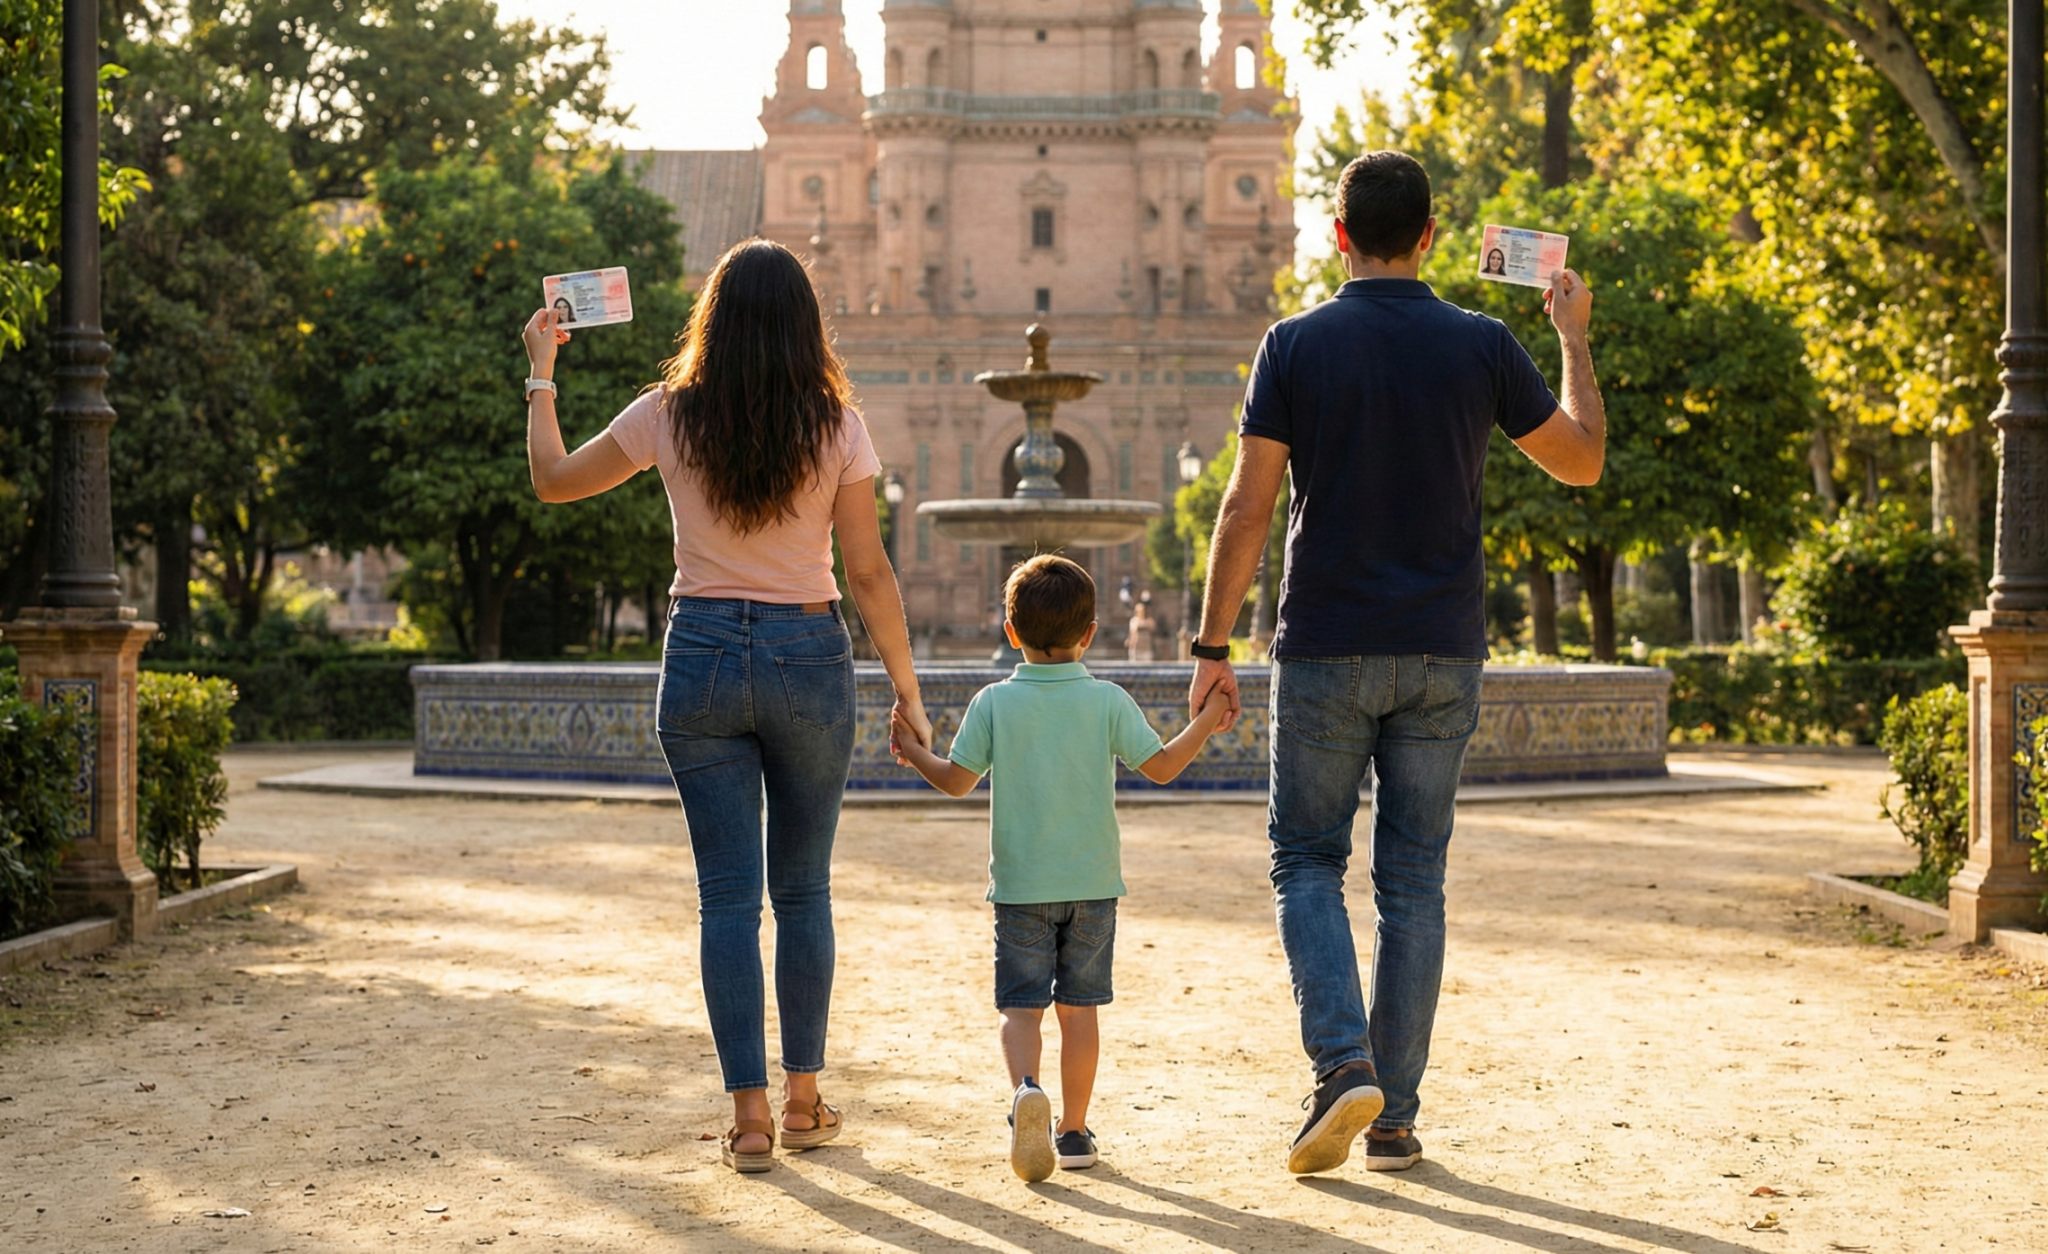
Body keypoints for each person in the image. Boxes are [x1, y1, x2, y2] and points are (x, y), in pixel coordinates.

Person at [1187, 150, 1606, 1176]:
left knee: (1305, 862)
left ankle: (1342, 1067)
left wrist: (1210, 644)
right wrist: (1573, 341)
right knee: (1412, 883)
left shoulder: (1291, 345)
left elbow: (1245, 508)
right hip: (1441, 649)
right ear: (1429, 237)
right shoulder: (1482, 344)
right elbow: (1582, 459)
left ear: (1338, 237)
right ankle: (1393, 1118)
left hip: (1325, 645)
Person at [520, 238, 931, 1174]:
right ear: (804, 326)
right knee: (804, 891)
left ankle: (749, 1120)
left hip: (700, 653)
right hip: (808, 656)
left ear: (712, 319)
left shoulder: (668, 415)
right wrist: (908, 691)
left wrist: (542, 376)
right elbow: (868, 570)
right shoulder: (838, 427)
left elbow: (552, 481)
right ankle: (804, 1098)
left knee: (726, 902)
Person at [891, 555, 1228, 1182]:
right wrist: (1206, 719)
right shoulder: (1107, 700)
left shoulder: (994, 701)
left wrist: (915, 752)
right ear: (1091, 633)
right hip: (1094, 887)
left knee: (1021, 1010)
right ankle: (1073, 1132)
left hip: (1020, 888)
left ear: (1010, 631)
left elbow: (959, 781)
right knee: (1080, 1012)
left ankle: (1025, 1095)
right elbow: (1160, 767)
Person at [1125, 594, 1157, 662]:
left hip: (1146, 645)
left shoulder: (1149, 620)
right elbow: (1132, 632)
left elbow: (1152, 628)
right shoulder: (1134, 620)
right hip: (1137, 644)